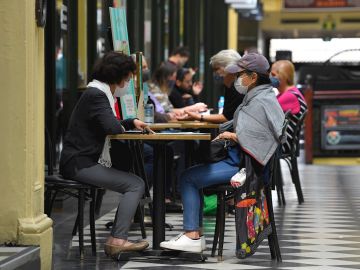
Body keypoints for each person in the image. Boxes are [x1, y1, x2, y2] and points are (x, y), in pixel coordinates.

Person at [159, 53, 285, 252]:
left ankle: (192, 235)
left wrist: (233, 136)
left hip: (244, 167)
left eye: (240, 75)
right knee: (192, 173)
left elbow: (266, 137)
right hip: (244, 162)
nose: (236, 79)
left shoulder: (259, 101)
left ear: (253, 77)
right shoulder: (262, 96)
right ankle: (194, 234)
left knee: (188, 178)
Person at [59, 51, 149, 256]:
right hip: (80, 164)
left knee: (134, 181)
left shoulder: (95, 92)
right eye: (127, 78)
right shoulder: (97, 95)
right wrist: (124, 125)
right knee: (135, 184)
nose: (127, 82)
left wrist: (130, 122)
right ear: (118, 76)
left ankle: (117, 238)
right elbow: (111, 127)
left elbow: (108, 123)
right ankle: (117, 240)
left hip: (81, 161)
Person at [182, 49, 244, 123]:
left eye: (217, 69)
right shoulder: (230, 86)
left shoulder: (239, 86)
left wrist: (199, 117)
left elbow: (227, 117)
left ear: (230, 67)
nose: (215, 73)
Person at [270, 60, 307, 152]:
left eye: (273, 75)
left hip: (283, 145)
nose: (270, 77)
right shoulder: (286, 94)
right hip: (282, 142)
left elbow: (265, 111)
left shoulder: (290, 96)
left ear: (284, 76)